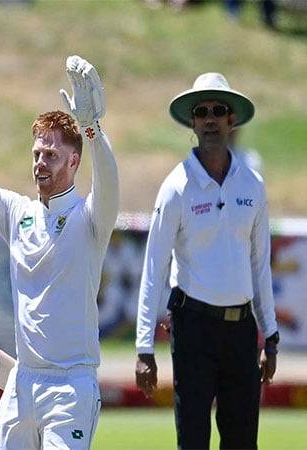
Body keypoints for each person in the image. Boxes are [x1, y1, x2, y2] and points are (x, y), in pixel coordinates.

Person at [0, 54, 119, 449]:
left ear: (74, 160)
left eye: (50, 155)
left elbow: (109, 183)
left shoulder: (90, 219)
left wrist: (93, 129)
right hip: (23, 381)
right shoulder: (18, 214)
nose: (39, 163)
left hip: (72, 385)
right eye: (36, 154)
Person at [135, 72, 279, 450]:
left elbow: (260, 263)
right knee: (194, 440)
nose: (211, 118)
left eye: (219, 110)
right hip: (193, 326)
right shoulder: (175, 188)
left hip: (242, 331)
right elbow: (154, 268)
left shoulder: (252, 184)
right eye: (202, 112)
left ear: (232, 120)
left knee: (243, 441)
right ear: (193, 123)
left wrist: (272, 337)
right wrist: (144, 348)